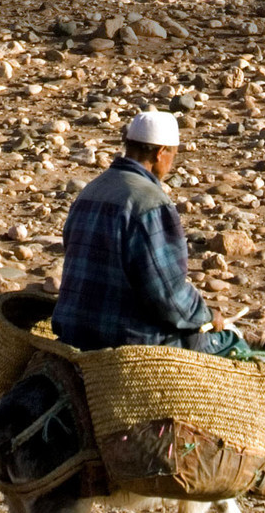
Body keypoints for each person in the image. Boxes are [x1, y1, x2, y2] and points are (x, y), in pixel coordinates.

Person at [52, 108, 235, 354]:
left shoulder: (91, 190)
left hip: (74, 332)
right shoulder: (150, 202)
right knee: (235, 346)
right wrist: (206, 315)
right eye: (173, 155)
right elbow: (167, 293)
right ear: (161, 153)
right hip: (128, 339)